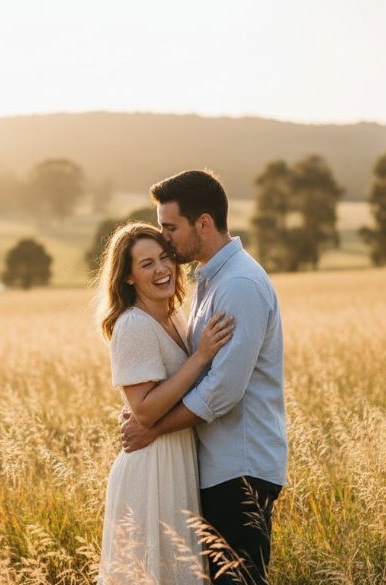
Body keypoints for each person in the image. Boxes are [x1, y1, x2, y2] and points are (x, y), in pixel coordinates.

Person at [121, 169, 288, 585]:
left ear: (204, 223)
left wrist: (153, 429)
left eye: (170, 228)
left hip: (240, 468)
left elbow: (222, 392)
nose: (165, 238)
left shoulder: (240, 285)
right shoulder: (210, 280)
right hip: (217, 468)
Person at [95, 222, 236, 584]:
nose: (161, 270)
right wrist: (201, 356)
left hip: (176, 461)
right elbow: (143, 410)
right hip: (151, 469)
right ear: (128, 277)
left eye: (164, 258)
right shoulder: (133, 325)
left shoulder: (174, 315)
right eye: (146, 264)